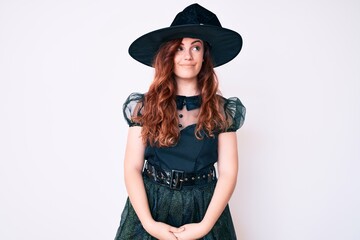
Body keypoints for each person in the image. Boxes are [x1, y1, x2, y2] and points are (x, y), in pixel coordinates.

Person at [114, 3, 246, 240]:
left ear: (205, 55)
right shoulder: (145, 107)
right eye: (179, 48)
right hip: (151, 206)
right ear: (169, 54)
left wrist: (204, 227)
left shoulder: (222, 110)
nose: (187, 56)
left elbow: (228, 172)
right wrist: (149, 223)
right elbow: (131, 168)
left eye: (196, 47)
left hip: (204, 209)